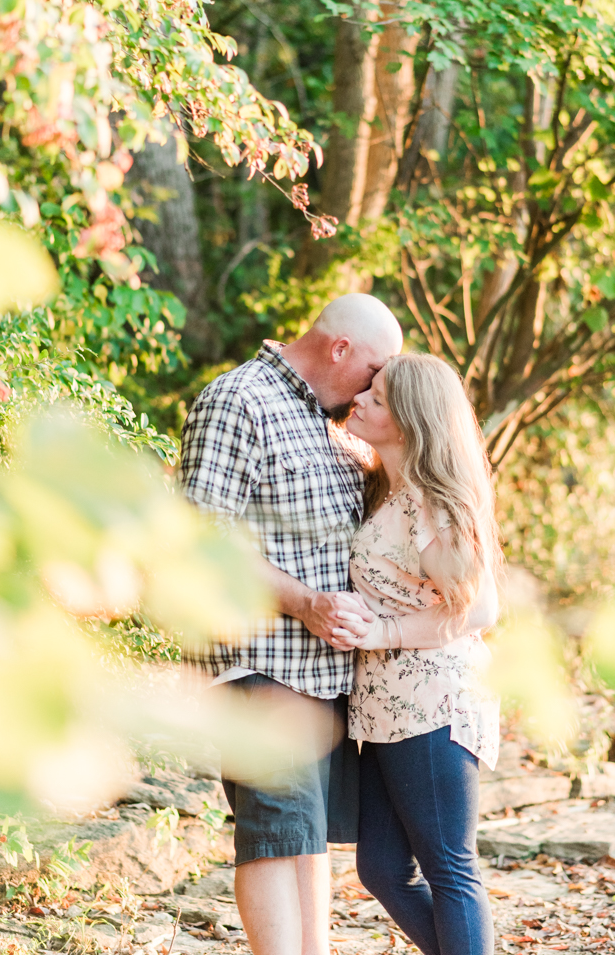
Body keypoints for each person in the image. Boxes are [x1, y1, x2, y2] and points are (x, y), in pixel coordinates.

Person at [179, 293, 403, 955]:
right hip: (263, 657)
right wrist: (306, 602)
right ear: (340, 349)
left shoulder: (337, 425)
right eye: (375, 367)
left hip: (325, 673)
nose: (376, 383)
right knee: (275, 834)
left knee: (308, 839)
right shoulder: (238, 399)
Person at [331, 352, 502, 955]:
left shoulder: (434, 502)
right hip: (382, 706)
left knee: (450, 869)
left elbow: (479, 610)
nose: (361, 400)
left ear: (407, 420)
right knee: (380, 870)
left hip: (433, 701)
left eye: (376, 397)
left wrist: (383, 633)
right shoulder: (387, 487)